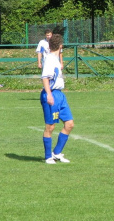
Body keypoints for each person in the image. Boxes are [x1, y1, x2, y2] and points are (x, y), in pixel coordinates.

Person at [40, 33, 74, 164]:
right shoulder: (49, 59)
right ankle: (48, 156)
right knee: (50, 127)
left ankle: (57, 153)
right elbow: (45, 77)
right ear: (61, 46)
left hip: (60, 95)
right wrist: (48, 94)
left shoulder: (55, 59)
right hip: (51, 94)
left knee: (69, 124)